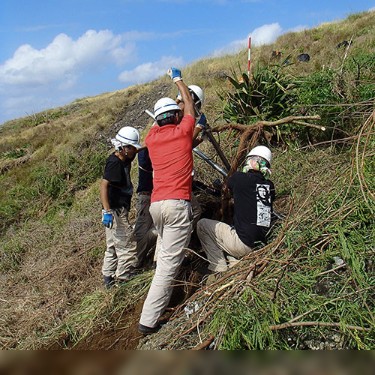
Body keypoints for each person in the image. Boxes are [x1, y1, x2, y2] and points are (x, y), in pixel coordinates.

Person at [138, 67, 196, 335]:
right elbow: (190, 108)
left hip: (156, 205)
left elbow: (162, 119)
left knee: (165, 251)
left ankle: (160, 286)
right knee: (169, 265)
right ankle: (148, 321)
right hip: (176, 204)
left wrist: (170, 106)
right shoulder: (184, 132)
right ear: (175, 116)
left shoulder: (152, 139)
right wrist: (179, 81)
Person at [196, 145, 275, 274]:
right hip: (260, 245)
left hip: (243, 244)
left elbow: (225, 190)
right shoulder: (270, 187)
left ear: (251, 161)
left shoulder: (239, 178)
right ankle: (236, 263)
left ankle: (218, 268)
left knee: (202, 224)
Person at [100, 126, 142, 288]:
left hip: (116, 209)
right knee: (127, 244)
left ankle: (108, 278)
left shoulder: (125, 157)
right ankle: (125, 278)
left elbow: (137, 150)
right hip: (115, 210)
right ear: (123, 148)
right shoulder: (114, 163)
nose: (134, 151)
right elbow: (103, 186)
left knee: (112, 245)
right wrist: (107, 211)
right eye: (132, 148)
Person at [133, 147, 157, 268]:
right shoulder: (145, 150)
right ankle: (135, 263)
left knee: (156, 230)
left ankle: (143, 260)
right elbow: (144, 163)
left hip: (156, 197)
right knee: (141, 232)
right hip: (146, 197)